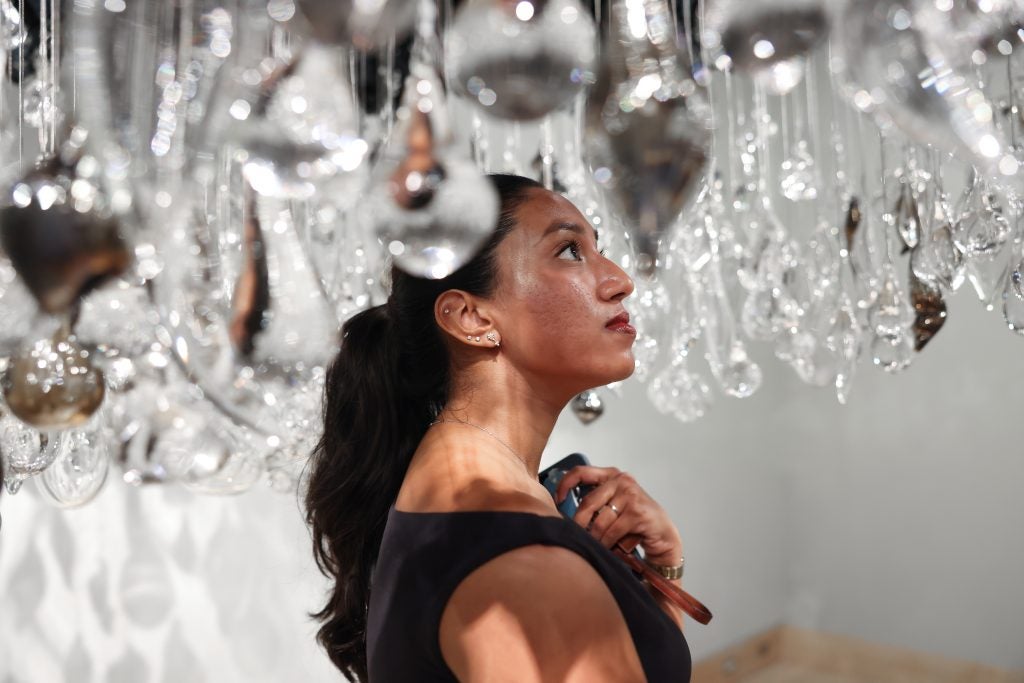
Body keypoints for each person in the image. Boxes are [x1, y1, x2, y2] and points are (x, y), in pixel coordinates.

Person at [305, 174, 692, 682]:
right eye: (570, 251)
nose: (620, 279)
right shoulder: (530, 571)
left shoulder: (461, 492)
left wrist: (662, 568)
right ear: (471, 318)